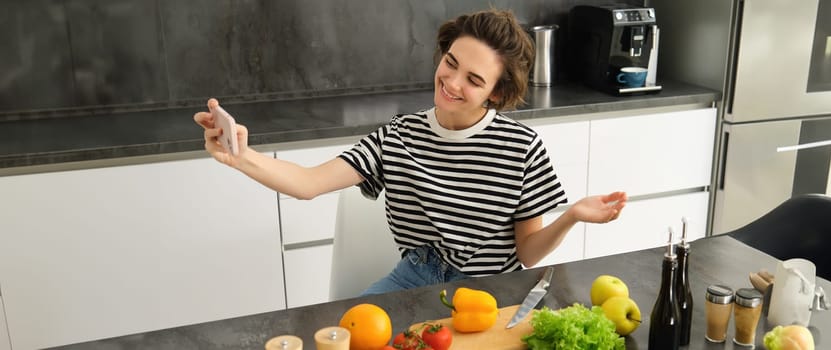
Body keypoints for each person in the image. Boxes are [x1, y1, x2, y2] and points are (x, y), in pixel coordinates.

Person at [194, 9, 628, 295]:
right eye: (451, 63)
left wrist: (570, 215)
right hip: (417, 280)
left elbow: (529, 254)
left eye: (474, 80)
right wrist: (242, 157)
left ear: (496, 94)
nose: (453, 82)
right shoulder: (397, 138)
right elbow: (308, 184)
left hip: (496, 291)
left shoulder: (521, 146)